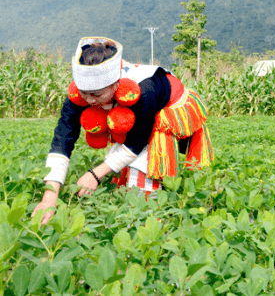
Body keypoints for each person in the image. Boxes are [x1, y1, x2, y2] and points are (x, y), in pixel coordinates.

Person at [32, 37, 212, 224]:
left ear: (115, 84)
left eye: (97, 95)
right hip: (134, 113)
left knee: (140, 178)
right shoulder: (82, 93)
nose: (90, 101)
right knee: (122, 164)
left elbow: (137, 141)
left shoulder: (144, 90)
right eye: (85, 93)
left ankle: (152, 215)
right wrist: (49, 197)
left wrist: (95, 175)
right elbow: (62, 139)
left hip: (167, 108)